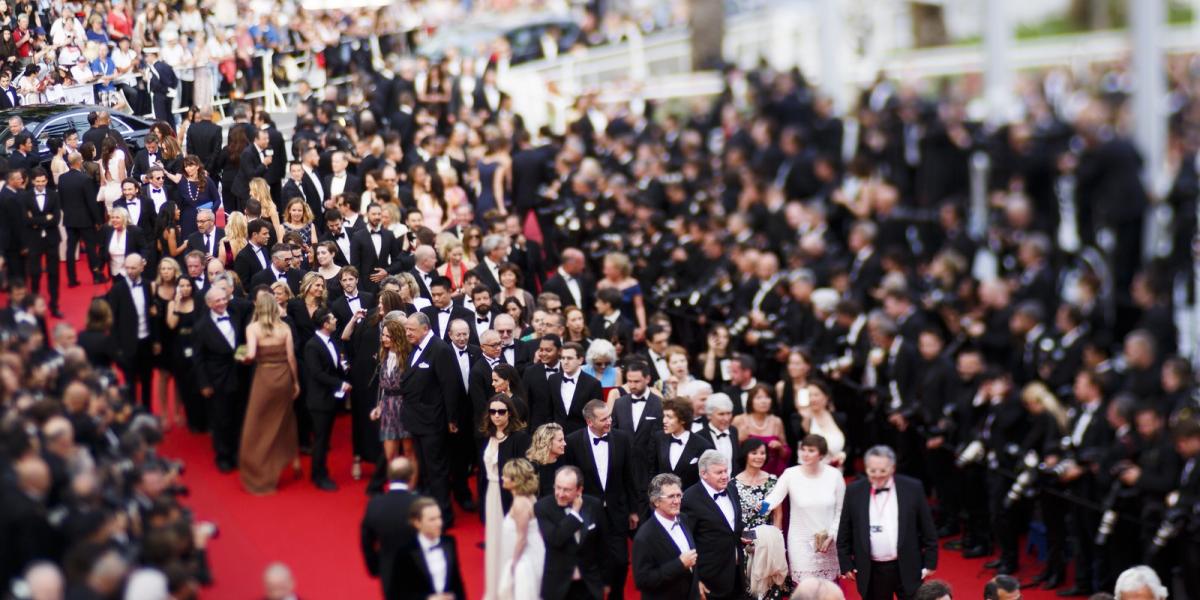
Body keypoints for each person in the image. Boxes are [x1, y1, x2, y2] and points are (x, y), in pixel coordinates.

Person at [837, 445, 938, 600]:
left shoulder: (912, 487)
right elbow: (845, 529)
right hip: (872, 569)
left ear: (892, 468)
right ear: (866, 468)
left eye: (883, 471)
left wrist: (930, 561)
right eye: (872, 471)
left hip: (907, 564)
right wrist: (846, 563)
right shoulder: (854, 491)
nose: (877, 475)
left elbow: (927, 527)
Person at [563, 399, 639, 599]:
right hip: (588, 510)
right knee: (590, 558)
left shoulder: (622, 439)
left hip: (617, 510)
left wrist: (633, 510)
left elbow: (629, 477)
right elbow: (570, 478)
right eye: (604, 419)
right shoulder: (573, 441)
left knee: (621, 560)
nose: (609, 422)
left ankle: (616, 595)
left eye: (610, 417)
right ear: (590, 421)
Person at [402, 312, 464, 526]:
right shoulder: (416, 348)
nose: (407, 332)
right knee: (427, 471)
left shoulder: (440, 349)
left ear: (425, 329)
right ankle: (429, 513)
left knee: (436, 470)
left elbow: (450, 386)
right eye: (406, 328)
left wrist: (451, 419)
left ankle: (444, 517)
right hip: (418, 421)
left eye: (411, 329)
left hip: (433, 422)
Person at [238, 291, 301, 495]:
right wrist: (295, 382)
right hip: (283, 377)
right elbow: (291, 358)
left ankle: (260, 472)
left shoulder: (253, 328)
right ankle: (293, 460)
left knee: (256, 425)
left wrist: (240, 355)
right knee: (284, 421)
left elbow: (250, 354)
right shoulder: (284, 328)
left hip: (264, 378)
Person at [763, 434, 846, 582]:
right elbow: (774, 498)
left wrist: (832, 535)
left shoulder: (834, 475)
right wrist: (760, 508)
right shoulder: (791, 474)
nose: (805, 454)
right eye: (803, 449)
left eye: (811, 450)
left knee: (827, 590)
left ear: (821, 454)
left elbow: (841, 511)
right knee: (804, 590)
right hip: (800, 541)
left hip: (828, 540)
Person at [479, 394, 530, 599]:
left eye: (501, 411)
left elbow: (525, 472)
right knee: (494, 542)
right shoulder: (487, 435)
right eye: (493, 411)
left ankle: (512, 591)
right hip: (491, 494)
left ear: (510, 413)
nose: (497, 416)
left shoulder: (520, 437)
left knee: (510, 542)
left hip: (509, 496)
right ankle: (495, 591)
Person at [194, 283, 247, 472]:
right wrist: (204, 383)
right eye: (218, 300)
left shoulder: (235, 315)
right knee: (221, 419)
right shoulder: (201, 327)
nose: (223, 302)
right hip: (217, 379)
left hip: (239, 374)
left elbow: (241, 341)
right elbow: (198, 359)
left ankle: (237, 453)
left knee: (238, 417)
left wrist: (243, 357)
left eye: (224, 298)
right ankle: (223, 456)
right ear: (209, 304)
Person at [535, 465, 607, 600]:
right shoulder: (543, 507)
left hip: (589, 585)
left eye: (567, 490)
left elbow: (603, 545)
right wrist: (574, 513)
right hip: (558, 587)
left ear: (579, 490)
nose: (560, 494)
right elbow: (556, 538)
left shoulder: (594, 505)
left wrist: (605, 581)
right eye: (558, 487)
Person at [681, 449, 745, 600]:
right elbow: (686, 543)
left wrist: (743, 533)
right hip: (710, 579)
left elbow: (732, 526)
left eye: (726, 471)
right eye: (719, 473)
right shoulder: (690, 498)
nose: (725, 476)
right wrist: (695, 580)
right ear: (703, 474)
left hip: (737, 573)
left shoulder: (731, 488)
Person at [303, 307, 350, 491]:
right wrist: (340, 384)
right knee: (321, 440)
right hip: (319, 399)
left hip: (330, 398)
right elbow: (317, 373)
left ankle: (321, 471)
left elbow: (336, 364)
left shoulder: (333, 341)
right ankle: (318, 475)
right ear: (325, 324)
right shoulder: (312, 345)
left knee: (325, 438)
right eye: (333, 319)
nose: (336, 321)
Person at [633, 473, 700, 600]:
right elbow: (642, 580)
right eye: (671, 497)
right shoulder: (644, 536)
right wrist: (679, 564)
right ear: (656, 501)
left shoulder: (684, 519)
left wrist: (697, 583)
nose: (677, 501)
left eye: (679, 495)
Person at [361, 457, 418, 600]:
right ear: (412, 477)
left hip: (388, 569)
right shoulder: (422, 505)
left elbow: (366, 541)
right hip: (418, 570)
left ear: (389, 477)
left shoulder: (375, 505)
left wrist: (375, 566)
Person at [389, 498, 467, 600]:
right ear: (417, 523)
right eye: (432, 519)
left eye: (439, 517)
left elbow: (456, 581)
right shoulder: (405, 551)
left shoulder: (449, 542)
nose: (439, 523)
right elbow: (397, 593)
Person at [107, 253, 156, 409]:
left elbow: (152, 315)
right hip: (128, 344)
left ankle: (147, 411)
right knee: (130, 384)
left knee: (147, 380)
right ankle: (132, 413)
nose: (130, 271)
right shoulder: (117, 290)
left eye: (133, 268)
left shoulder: (148, 286)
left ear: (142, 267)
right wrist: (117, 349)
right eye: (127, 268)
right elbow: (112, 322)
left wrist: (155, 340)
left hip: (146, 342)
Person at [496, 458, 544, 600]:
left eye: (506, 476)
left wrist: (513, 565)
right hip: (532, 549)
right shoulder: (529, 497)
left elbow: (522, 538)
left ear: (515, 480)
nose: (502, 478)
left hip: (525, 556)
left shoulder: (520, 503)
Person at [372, 316, 413, 471]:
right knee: (390, 454)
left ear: (397, 337)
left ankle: (411, 488)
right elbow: (383, 386)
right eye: (383, 335)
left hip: (405, 405)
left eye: (388, 336)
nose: (384, 339)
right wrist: (379, 406)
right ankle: (396, 487)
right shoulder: (383, 356)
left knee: (409, 451)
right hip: (388, 407)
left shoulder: (408, 357)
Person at [21, 169, 62, 317]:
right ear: (32, 181)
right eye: (38, 181)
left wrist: (36, 221)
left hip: (52, 239)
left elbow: (56, 219)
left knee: (54, 274)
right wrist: (46, 219)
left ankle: (54, 305)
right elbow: (26, 220)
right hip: (34, 239)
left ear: (46, 181)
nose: (40, 184)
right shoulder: (25, 197)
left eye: (43, 181)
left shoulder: (54, 195)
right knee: (35, 273)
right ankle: (34, 305)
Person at [655, 397, 715, 490]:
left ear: (683, 420)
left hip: (689, 501)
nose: (664, 421)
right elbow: (652, 471)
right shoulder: (659, 438)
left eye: (669, 417)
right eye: (664, 416)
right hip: (664, 500)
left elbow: (706, 481)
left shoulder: (703, 446)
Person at [733, 384, 791, 476]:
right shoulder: (739, 420)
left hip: (772, 475)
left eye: (767, 397)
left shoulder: (776, 421)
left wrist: (779, 447)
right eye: (758, 398)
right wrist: (740, 440)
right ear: (751, 400)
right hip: (744, 474)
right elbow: (730, 451)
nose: (763, 401)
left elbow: (786, 453)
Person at [527, 422, 567, 497]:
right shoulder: (532, 469)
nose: (564, 443)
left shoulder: (564, 463)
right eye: (560, 440)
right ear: (547, 442)